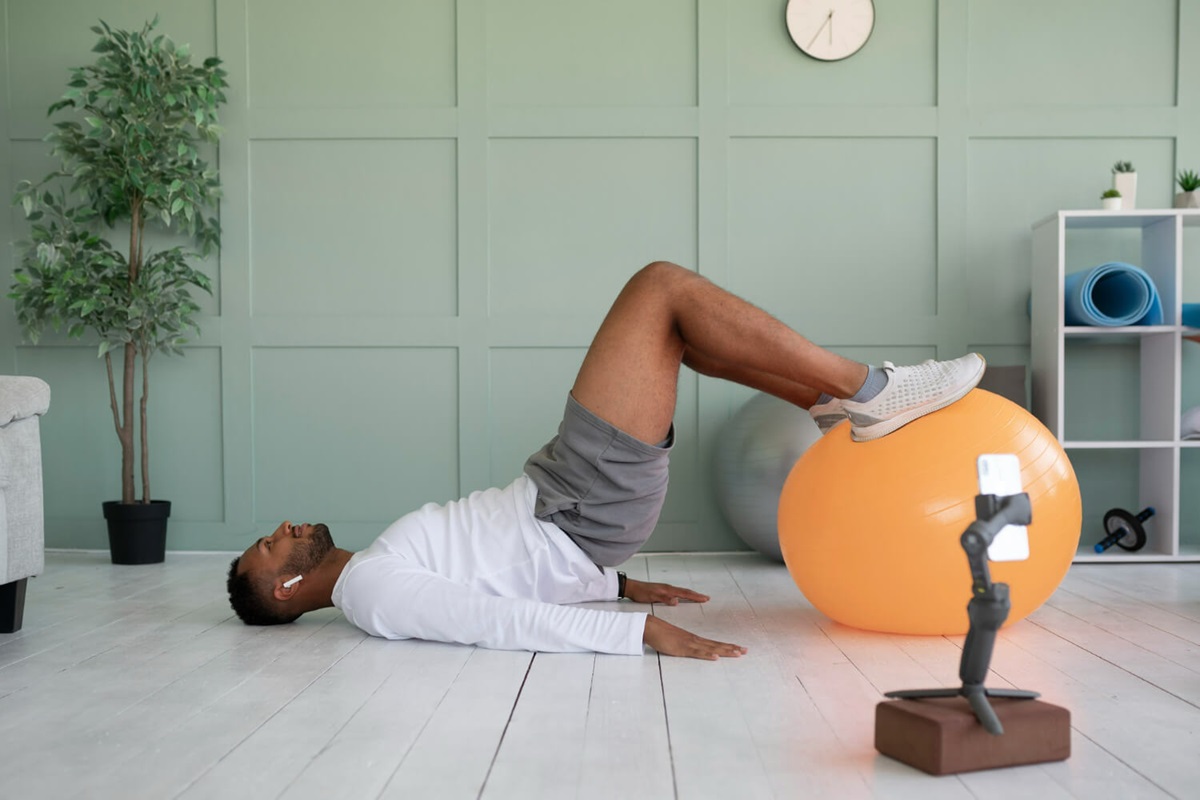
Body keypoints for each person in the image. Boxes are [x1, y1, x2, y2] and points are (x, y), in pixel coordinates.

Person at [227, 262, 985, 660]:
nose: (286, 527)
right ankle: (874, 388)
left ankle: (825, 403)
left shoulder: (375, 572)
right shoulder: (372, 594)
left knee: (679, 333)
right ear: (289, 589)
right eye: (273, 545)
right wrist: (635, 632)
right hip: (577, 505)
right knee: (661, 289)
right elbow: (491, 619)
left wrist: (614, 583)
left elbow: (493, 564)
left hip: (567, 504)